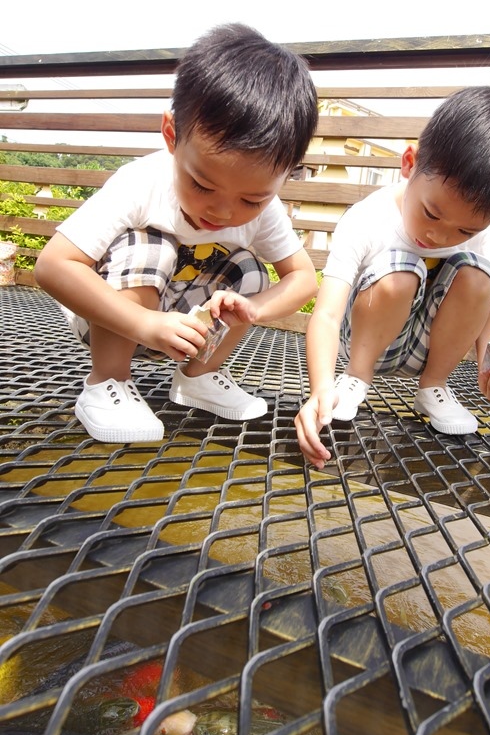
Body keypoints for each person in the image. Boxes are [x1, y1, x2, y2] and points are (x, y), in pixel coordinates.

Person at [35, 23, 319, 443]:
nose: (223, 211)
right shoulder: (142, 182)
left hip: (185, 331)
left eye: (252, 199)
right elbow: (52, 266)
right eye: (203, 185)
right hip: (109, 317)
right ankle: (106, 381)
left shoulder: (266, 209)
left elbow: (304, 278)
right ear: (172, 135)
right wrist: (144, 323)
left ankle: (197, 377)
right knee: (150, 244)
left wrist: (254, 307)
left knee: (250, 272)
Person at [294, 86, 490, 470]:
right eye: (431, 213)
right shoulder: (369, 218)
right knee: (403, 269)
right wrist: (320, 389)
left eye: (464, 230)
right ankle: (356, 379)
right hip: (367, 338)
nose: (439, 236)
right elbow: (328, 314)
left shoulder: (479, 236)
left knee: (481, 277)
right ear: (410, 164)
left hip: (430, 349)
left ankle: (433, 387)